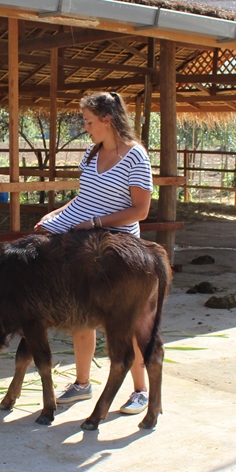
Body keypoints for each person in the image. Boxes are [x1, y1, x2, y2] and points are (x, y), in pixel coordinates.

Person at [35, 91, 154, 415]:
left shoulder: (135, 156)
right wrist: (55, 214)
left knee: (125, 322)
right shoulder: (90, 154)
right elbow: (83, 199)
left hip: (118, 248)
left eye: (89, 121)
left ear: (108, 120)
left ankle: (141, 389)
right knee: (80, 314)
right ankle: (83, 384)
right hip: (85, 243)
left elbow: (140, 210)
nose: (86, 128)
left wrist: (97, 222)